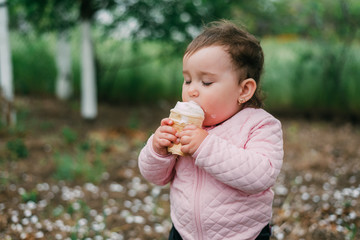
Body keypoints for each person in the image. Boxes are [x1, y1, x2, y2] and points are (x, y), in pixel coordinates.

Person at [138, 20, 283, 240]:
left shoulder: (259, 125)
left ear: (244, 90)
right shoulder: (184, 126)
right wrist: (158, 150)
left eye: (206, 82)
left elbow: (260, 175)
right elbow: (155, 177)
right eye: (187, 80)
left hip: (243, 235)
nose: (192, 91)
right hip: (184, 232)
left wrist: (204, 146)